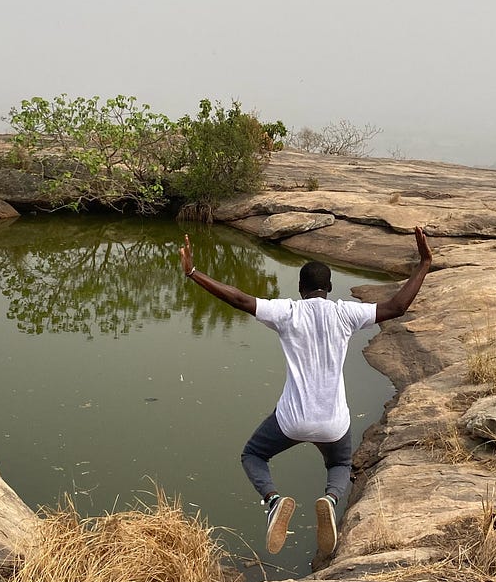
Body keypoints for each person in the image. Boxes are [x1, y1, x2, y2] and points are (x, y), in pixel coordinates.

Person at [178, 226, 432, 558]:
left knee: (253, 455)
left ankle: (273, 500)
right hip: (333, 422)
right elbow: (397, 306)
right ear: (328, 288)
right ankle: (329, 499)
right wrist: (424, 263)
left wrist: (194, 273)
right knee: (340, 464)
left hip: (291, 420)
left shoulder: (287, 312)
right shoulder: (345, 313)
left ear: (300, 289)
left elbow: (239, 298)